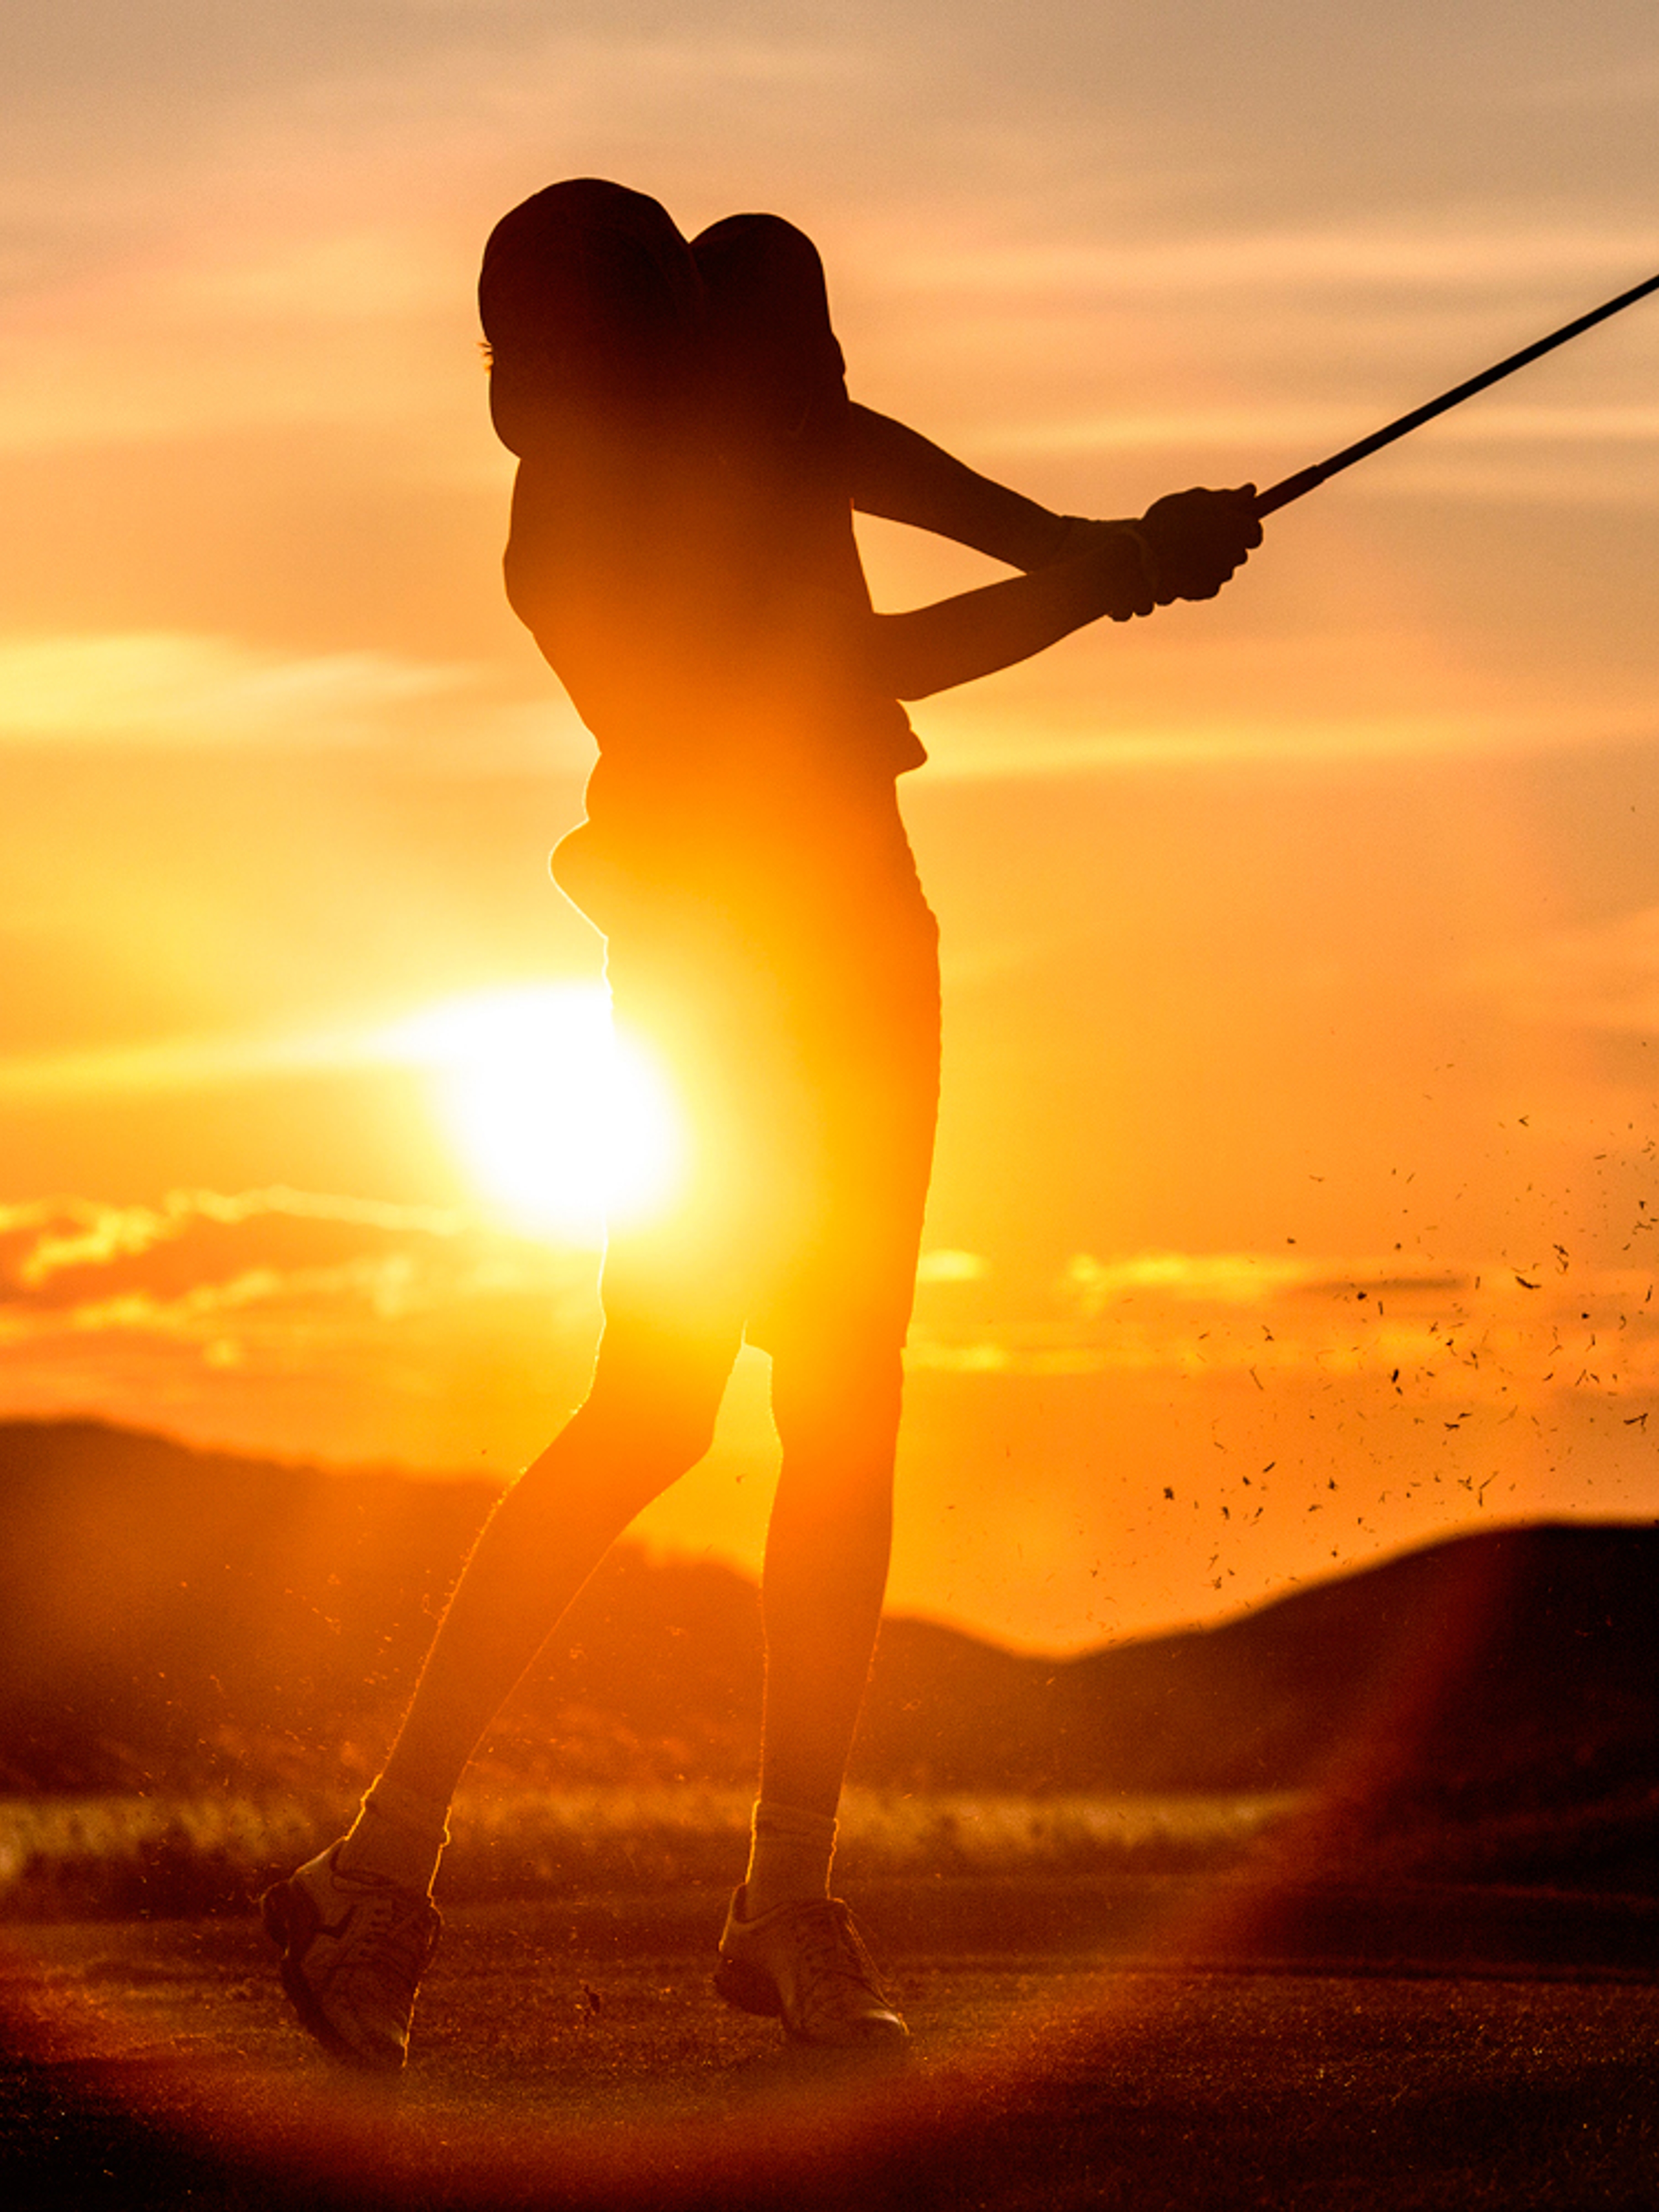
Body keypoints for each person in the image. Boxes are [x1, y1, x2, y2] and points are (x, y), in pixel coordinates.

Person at [261, 179, 1261, 2071]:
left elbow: (843, 444)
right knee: (655, 1402)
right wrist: (1093, 574)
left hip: (869, 931)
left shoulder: (734, 413)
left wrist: (1092, 543)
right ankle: (375, 1872)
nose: (519, 381)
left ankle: (783, 1902)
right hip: (717, 963)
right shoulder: (562, 538)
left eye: (543, 347)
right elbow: (841, 673)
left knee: (849, 1403)